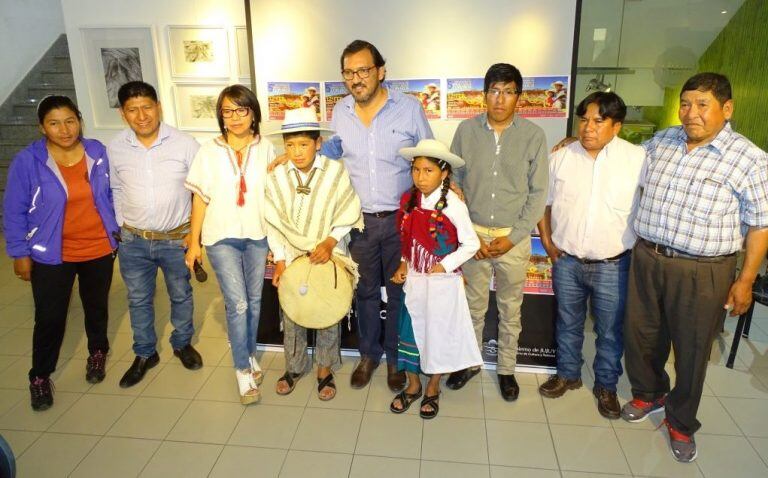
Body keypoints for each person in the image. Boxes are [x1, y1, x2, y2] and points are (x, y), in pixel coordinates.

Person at [621, 72, 768, 462]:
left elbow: (760, 224)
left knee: (691, 348)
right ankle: (649, 393)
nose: (691, 113)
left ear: (727, 108)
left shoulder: (749, 159)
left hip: (703, 270)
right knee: (641, 335)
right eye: (686, 104)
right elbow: (623, 164)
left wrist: (746, 280)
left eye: (702, 104)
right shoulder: (663, 140)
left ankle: (681, 422)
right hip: (648, 257)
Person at [323, 40, 434, 391]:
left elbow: (430, 154)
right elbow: (328, 153)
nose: (356, 79)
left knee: (400, 293)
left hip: (403, 221)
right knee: (366, 291)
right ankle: (369, 356)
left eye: (363, 70)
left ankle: (396, 360)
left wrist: (451, 185)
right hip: (361, 223)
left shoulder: (409, 109)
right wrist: (292, 157)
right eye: (349, 73)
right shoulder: (340, 112)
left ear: (381, 71)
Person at [3, 95, 119, 410]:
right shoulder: (29, 162)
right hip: (52, 253)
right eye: (54, 123)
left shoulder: (97, 152)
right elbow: (13, 211)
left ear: (79, 120)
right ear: (42, 127)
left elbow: (110, 194)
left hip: (97, 247)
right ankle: (40, 376)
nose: (64, 129)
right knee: (50, 318)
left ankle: (97, 353)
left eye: (70, 120)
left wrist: (116, 232)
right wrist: (19, 252)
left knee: (96, 308)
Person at [536, 92, 644, 419]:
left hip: (613, 264)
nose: (588, 128)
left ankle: (606, 386)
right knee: (568, 322)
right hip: (566, 261)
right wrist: (547, 241)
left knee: (609, 330)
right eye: (584, 119)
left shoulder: (638, 159)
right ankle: (567, 375)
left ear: (617, 126)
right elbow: (546, 204)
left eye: (599, 121)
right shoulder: (561, 158)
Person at [448, 63, 548, 400]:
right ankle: (471, 362)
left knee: (510, 308)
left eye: (508, 91)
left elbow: (538, 194)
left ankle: (506, 370)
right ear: (484, 95)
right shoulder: (465, 131)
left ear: (519, 97)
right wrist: (469, 237)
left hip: (513, 239)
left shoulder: (533, 136)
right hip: (473, 237)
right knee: (473, 307)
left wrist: (514, 237)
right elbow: (455, 183)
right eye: (494, 90)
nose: (500, 98)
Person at [184, 84, 278, 405]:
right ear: (220, 116)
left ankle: (249, 353)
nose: (235, 117)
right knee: (237, 304)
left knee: (253, 300)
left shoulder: (267, 149)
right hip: (220, 237)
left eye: (242, 110)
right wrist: (193, 243)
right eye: (228, 111)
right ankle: (241, 368)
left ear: (253, 113)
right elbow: (200, 198)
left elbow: (274, 196)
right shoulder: (208, 151)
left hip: (257, 235)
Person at [264, 107, 364, 401]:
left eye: (304, 144)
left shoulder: (335, 171)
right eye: (290, 144)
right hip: (292, 253)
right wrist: (281, 259)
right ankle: (294, 366)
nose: (297, 152)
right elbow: (273, 220)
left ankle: (324, 367)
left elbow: (349, 210)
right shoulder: (277, 175)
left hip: (328, 252)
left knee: (327, 308)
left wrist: (331, 242)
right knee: (292, 308)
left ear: (318, 143)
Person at [108, 81, 203, 388]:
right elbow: (116, 189)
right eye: (133, 110)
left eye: (147, 107)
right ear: (123, 114)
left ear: (158, 106)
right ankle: (145, 353)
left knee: (181, 294)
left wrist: (194, 236)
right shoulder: (116, 147)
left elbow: (202, 191)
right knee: (138, 299)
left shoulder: (185, 144)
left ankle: (181, 343)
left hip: (176, 239)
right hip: (133, 241)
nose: (142, 115)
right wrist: (122, 224)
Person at [389, 139, 481, 419]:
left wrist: (444, 266)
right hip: (416, 279)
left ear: (444, 173)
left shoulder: (453, 203)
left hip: (442, 283)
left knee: (438, 335)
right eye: (416, 170)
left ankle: (432, 387)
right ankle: (414, 385)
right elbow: (407, 239)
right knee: (410, 332)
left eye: (428, 171)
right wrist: (404, 263)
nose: (420, 177)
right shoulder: (409, 200)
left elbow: (471, 244)